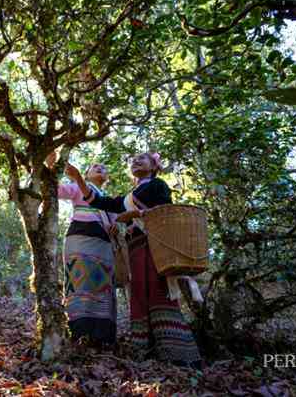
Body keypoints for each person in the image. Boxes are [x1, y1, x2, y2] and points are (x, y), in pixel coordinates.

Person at [65, 152, 203, 368]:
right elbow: (101, 202)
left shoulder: (158, 185)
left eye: (143, 159)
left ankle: (176, 354)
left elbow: (166, 212)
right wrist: (79, 179)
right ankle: (143, 350)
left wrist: (136, 214)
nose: (136, 161)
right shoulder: (129, 196)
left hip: (155, 246)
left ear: (154, 166)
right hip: (135, 249)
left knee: (158, 292)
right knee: (139, 293)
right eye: (133, 160)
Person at [46, 153, 117, 347]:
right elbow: (56, 190)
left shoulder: (107, 200)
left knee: (102, 285)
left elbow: (117, 222)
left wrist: (118, 225)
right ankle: (79, 331)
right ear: (86, 175)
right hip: (79, 239)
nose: (100, 168)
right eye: (95, 167)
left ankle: (102, 335)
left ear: (107, 177)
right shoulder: (78, 187)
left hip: (103, 245)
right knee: (79, 282)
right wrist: (51, 163)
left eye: (103, 168)